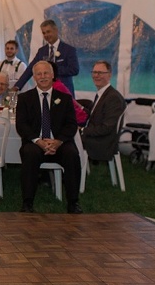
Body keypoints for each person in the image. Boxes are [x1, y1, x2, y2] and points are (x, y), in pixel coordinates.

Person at [15, 61, 82, 214]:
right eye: (39, 74)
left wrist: (58, 142)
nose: (43, 77)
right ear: (34, 77)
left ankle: (73, 202)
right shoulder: (25, 98)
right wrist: (38, 141)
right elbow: (22, 125)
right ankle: (27, 202)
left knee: (72, 155)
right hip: (35, 142)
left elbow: (71, 125)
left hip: (59, 142)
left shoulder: (65, 98)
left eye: (46, 73)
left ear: (52, 75)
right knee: (30, 154)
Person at [14, 19, 79, 97]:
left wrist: (52, 70)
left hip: (64, 92)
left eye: (48, 32)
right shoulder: (42, 51)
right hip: (45, 93)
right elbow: (30, 69)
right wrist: (17, 86)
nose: (46, 35)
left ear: (56, 30)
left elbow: (74, 69)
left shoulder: (68, 49)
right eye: (44, 33)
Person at [80, 60, 126, 162]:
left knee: (66, 141)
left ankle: (63, 173)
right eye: (94, 72)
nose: (96, 75)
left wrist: (82, 130)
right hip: (99, 137)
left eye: (100, 73)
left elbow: (106, 128)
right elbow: (95, 116)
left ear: (109, 75)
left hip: (103, 142)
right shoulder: (103, 94)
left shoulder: (113, 98)